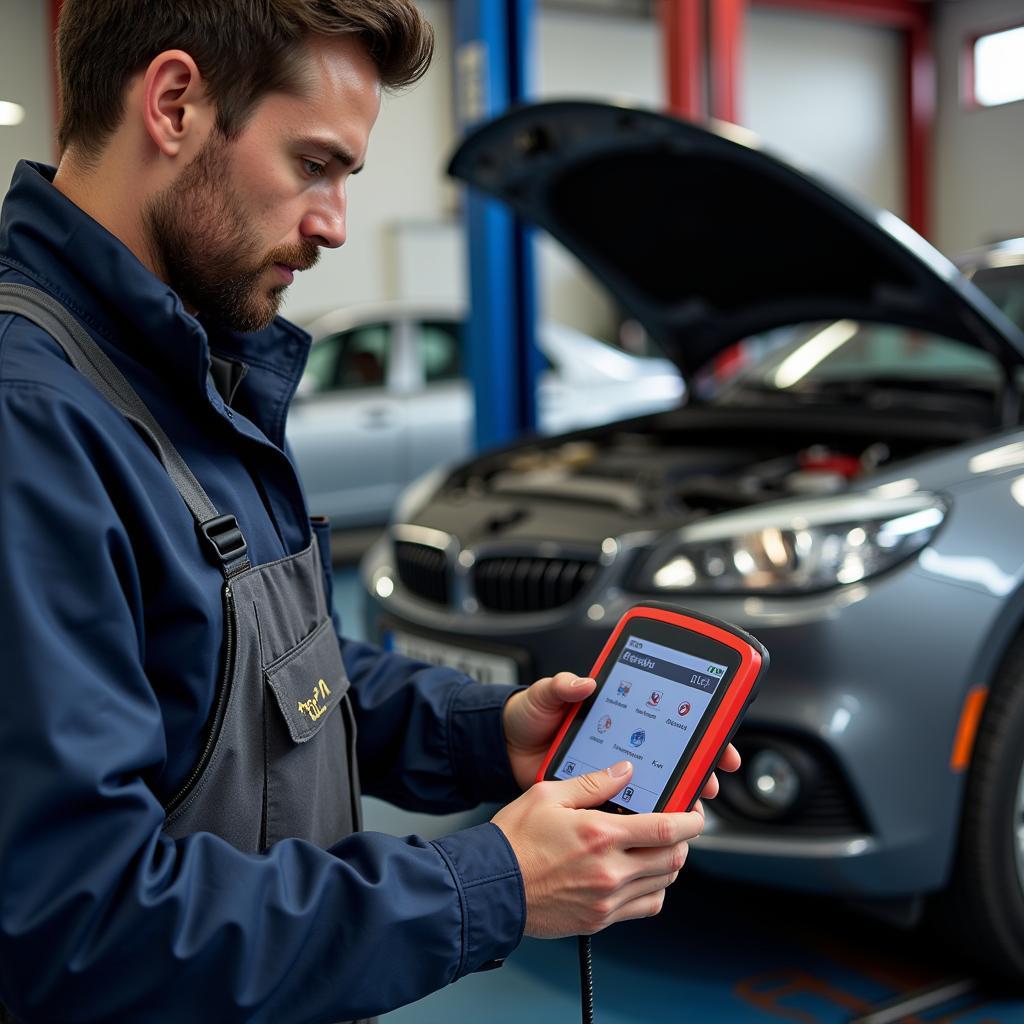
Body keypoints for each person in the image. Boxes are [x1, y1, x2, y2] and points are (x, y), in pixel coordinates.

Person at [0, 3, 738, 1021]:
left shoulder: (182, 373)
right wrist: (492, 884)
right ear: (173, 103)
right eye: (314, 164)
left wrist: (491, 732)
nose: (333, 223)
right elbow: (77, 929)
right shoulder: (31, 421)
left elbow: (273, 670)